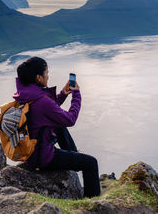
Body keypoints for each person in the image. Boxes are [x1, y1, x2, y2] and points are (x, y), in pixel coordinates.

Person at [13, 56, 100, 198]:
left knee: (58, 125)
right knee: (91, 163)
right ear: (39, 77)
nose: (48, 76)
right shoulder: (41, 101)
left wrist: (63, 94)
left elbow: (46, 113)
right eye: (46, 73)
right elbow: (70, 119)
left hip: (30, 152)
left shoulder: (24, 95)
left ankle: (73, 153)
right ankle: (93, 204)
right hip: (43, 158)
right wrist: (76, 95)